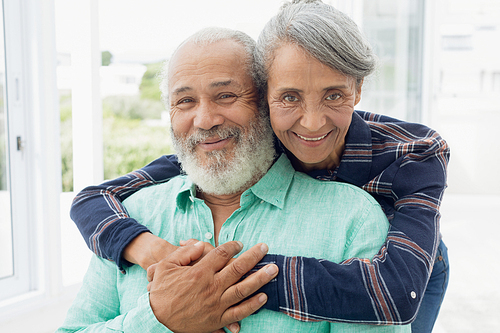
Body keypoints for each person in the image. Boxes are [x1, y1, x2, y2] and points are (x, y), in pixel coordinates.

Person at [70, 0, 450, 332]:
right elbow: (93, 198)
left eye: (226, 95)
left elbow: (397, 293)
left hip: (414, 272)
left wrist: (211, 285)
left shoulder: (407, 160)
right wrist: (155, 298)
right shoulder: (154, 200)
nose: (312, 122)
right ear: (269, 101)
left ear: (358, 90)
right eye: (289, 97)